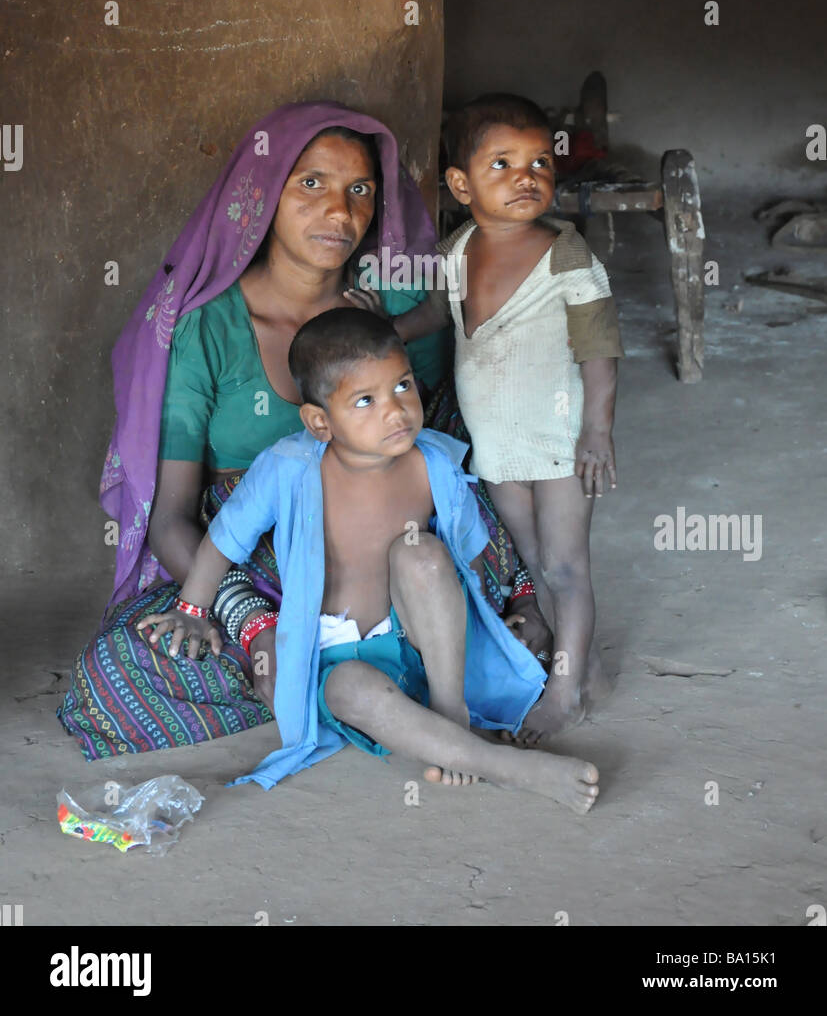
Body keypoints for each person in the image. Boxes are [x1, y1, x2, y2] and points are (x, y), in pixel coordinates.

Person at [57, 100, 544, 760]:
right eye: (310, 183)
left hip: (397, 554)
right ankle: (376, 687)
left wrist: (520, 589)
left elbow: (449, 442)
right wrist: (249, 623)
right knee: (110, 677)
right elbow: (172, 517)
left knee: (454, 588)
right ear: (259, 196)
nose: (340, 213)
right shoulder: (209, 325)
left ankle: (358, 685)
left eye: (360, 190)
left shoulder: (393, 302)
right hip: (263, 568)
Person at [136, 309, 601, 813]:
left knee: (422, 553)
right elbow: (225, 539)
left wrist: (519, 606)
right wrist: (192, 610)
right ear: (319, 421)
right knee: (351, 690)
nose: (396, 411)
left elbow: (472, 556)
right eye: (365, 400)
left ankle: (452, 719)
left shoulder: (434, 462)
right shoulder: (288, 468)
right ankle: (503, 765)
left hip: (419, 644)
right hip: (335, 655)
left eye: (402, 386)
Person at [376, 93, 625, 745]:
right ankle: (581, 659)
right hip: (496, 443)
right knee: (535, 560)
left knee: (567, 565)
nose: (526, 176)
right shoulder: (458, 252)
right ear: (460, 185)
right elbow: (435, 317)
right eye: (503, 164)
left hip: (561, 443)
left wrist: (596, 432)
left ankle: (564, 689)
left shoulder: (568, 258)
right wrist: (380, 333)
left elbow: (600, 352)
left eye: (540, 161)